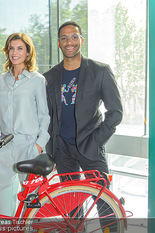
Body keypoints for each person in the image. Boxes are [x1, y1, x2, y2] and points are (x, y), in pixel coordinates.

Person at [44, 20, 122, 180]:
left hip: (90, 146)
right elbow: (48, 115)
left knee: (103, 199)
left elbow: (115, 112)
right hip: (62, 150)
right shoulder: (50, 77)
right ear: (59, 43)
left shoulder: (100, 71)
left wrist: (97, 141)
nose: (69, 42)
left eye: (74, 36)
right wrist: (52, 149)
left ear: (81, 40)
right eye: (64, 38)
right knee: (71, 202)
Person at [0, 33, 50, 216]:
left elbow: (44, 115)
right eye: (11, 48)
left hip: (28, 145)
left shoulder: (37, 80)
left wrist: (39, 145)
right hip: (3, 145)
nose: (15, 52)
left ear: (28, 53)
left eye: (20, 48)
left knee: (31, 197)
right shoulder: (0, 80)